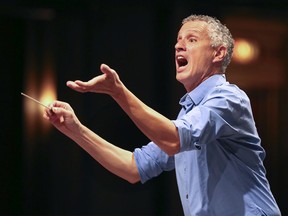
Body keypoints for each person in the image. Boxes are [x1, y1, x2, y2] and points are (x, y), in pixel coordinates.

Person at [43, 14, 281, 215]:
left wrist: (118, 92)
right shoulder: (188, 114)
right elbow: (133, 168)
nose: (178, 46)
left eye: (192, 39)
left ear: (219, 53)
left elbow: (173, 139)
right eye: (178, 40)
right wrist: (74, 128)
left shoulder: (229, 99)